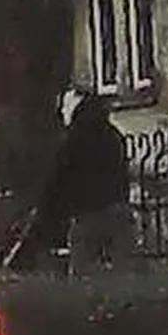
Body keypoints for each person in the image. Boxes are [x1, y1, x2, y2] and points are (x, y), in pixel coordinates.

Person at [37, 89, 132, 269]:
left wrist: (45, 212)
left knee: (83, 270)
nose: (62, 113)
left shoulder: (74, 138)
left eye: (64, 108)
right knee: (122, 272)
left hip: (88, 215)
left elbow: (59, 180)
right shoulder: (113, 134)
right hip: (118, 209)